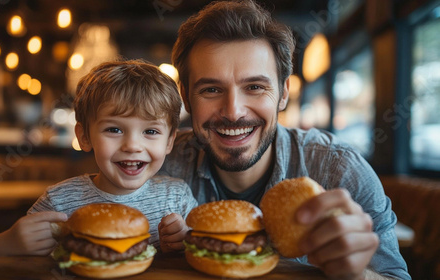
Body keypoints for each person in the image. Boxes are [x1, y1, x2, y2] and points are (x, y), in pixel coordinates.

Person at [159, 0, 411, 279]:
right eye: (211, 89)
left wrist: (357, 275)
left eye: (254, 87)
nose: (233, 112)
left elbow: (394, 275)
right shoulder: (156, 163)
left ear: (283, 93)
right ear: (185, 96)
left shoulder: (338, 170)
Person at [0, 60, 198, 258]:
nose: (132, 146)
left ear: (169, 141)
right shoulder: (58, 202)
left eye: (150, 132)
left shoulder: (177, 198)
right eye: (114, 129)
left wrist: (185, 239)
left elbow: (202, 251)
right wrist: (7, 243)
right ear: (84, 137)